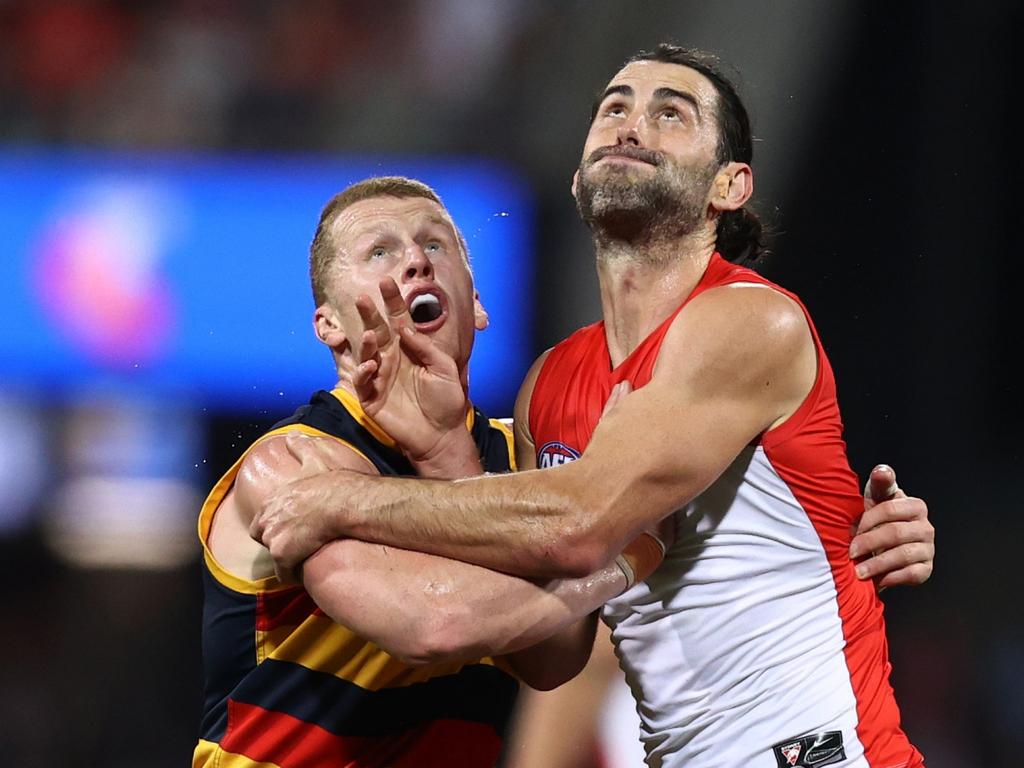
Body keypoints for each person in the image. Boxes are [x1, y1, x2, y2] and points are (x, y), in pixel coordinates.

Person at [253, 44, 933, 768]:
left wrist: (343, 503)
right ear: (579, 180)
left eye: (670, 113)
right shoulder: (549, 383)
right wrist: (446, 451)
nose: (631, 124)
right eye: (614, 107)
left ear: (729, 186)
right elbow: (553, 655)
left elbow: (575, 524)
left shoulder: (748, 322)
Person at [193, 176, 672, 768]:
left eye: (435, 244)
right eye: (379, 251)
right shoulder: (293, 464)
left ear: (475, 304)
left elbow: (552, 660)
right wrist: (618, 561)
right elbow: (434, 624)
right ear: (330, 325)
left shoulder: (515, 457)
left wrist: (447, 453)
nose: (416, 260)